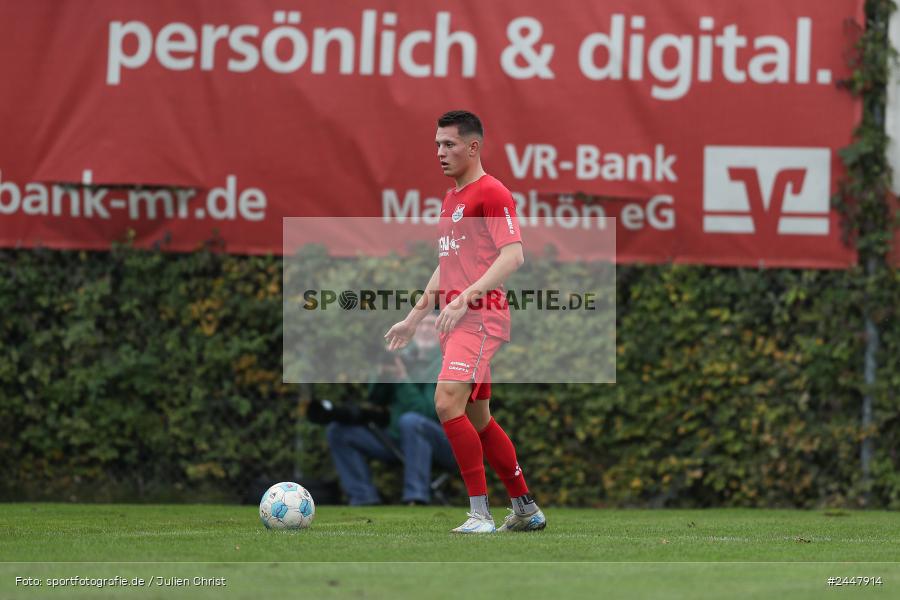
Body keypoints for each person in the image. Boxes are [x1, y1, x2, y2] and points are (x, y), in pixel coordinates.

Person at [385, 110, 546, 533]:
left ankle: (480, 514)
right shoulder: (452, 198)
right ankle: (526, 508)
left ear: (473, 147)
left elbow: (513, 255)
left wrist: (466, 299)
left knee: (444, 403)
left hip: (479, 319)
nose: (440, 152)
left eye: (449, 144)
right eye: (437, 144)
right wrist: (414, 315)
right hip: (456, 321)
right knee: (479, 420)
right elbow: (447, 266)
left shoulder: (492, 193)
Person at [316, 313, 456, 506]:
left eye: (431, 324)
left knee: (411, 421)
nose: (424, 329)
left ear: (442, 329)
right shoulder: (402, 356)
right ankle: (363, 497)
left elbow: (429, 411)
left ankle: (416, 498)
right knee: (338, 431)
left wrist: (402, 378)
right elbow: (375, 398)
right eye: (420, 324)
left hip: (443, 443)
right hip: (398, 440)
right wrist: (383, 374)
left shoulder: (447, 361)